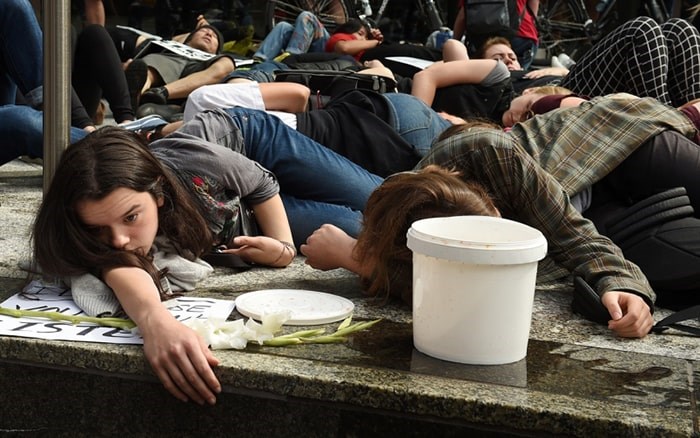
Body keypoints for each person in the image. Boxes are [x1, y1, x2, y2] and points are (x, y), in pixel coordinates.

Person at [301, 93, 700, 339]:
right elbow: (431, 287)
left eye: (497, 223)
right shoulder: (404, 227)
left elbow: (573, 235)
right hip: (612, 214)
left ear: (486, 197)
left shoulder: (492, 153)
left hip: (613, 150)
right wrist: (361, 258)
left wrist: (622, 282)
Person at [482, 16, 700, 105]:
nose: (508, 61)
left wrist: (557, 70)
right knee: (642, 29)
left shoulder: (536, 71)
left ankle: (693, 114)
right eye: (497, 58)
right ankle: (668, 125)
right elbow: (455, 52)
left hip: (573, 80)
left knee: (680, 30)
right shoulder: (501, 80)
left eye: (511, 56)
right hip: (563, 93)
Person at [109, 18, 237, 111]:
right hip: (173, 59)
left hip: (203, 69)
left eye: (215, 36)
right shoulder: (171, 46)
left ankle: (160, 93)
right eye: (203, 31)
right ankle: (136, 97)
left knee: (228, 64)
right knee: (146, 66)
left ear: (217, 49)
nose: (209, 34)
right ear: (189, 37)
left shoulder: (219, 59)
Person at [453, 0, 539, 69]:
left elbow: (463, 15)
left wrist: (454, 43)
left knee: (487, 82)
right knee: (519, 83)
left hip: (481, 41)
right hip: (521, 35)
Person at [253, 11, 330, 62]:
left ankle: (292, 57)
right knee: (283, 26)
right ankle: (259, 61)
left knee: (307, 16)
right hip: (309, 40)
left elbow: (339, 22)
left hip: (328, 45)